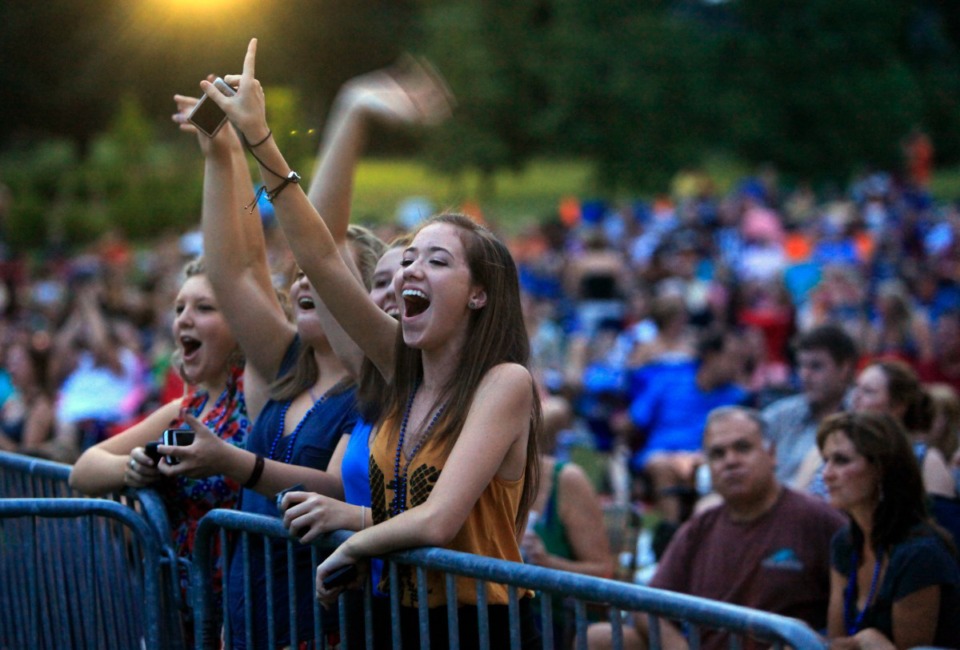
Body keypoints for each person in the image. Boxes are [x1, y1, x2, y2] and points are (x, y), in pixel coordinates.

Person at [203, 39, 540, 648]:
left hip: (478, 629)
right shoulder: (397, 369)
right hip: (382, 616)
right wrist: (260, 141)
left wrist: (353, 534)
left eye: (435, 261)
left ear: (479, 295)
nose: (409, 271)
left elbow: (439, 521)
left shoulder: (504, 381)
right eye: (406, 258)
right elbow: (321, 256)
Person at [69, 258, 252, 630]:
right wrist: (134, 467)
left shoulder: (261, 402)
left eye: (204, 308)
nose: (184, 318)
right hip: (183, 610)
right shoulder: (183, 409)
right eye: (179, 307)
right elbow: (83, 469)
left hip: (248, 613)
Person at [587, 406, 845, 650]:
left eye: (742, 448)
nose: (730, 461)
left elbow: (858, 614)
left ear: (772, 454)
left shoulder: (818, 520)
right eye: (717, 454)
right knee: (598, 638)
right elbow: (645, 607)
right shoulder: (700, 526)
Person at [818, 411, 960, 648]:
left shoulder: (920, 555)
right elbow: (837, 641)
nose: (826, 474)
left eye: (841, 460)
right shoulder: (845, 542)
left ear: (882, 468)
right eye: (826, 460)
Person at [625, 327, 747, 523]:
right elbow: (634, 420)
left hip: (704, 457)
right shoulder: (670, 380)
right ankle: (672, 535)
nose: (737, 367)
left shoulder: (737, 397)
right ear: (711, 356)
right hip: (661, 455)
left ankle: (705, 536)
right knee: (661, 466)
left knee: (709, 468)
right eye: (732, 358)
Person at [521, 396, 613, 645]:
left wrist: (547, 562)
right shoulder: (476, 481)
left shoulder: (565, 480)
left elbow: (604, 573)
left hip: (555, 625)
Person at [762, 323, 857, 491]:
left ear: (844, 369)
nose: (805, 375)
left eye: (815, 366)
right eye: (801, 366)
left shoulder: (862, 416)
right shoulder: (780, 415)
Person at [851, 359, 957, 499]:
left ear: (898, 406)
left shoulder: (925, 460)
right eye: (856, 388)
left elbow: (943, 518)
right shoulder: (841, 450)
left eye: (868, 391)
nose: (856, 397)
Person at [0, 332, 55, 455]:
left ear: (35, 367)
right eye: (10, 363)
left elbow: (28, 455)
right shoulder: (12, 400)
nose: (11, 370)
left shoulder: (41, 407)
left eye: (17, 363)